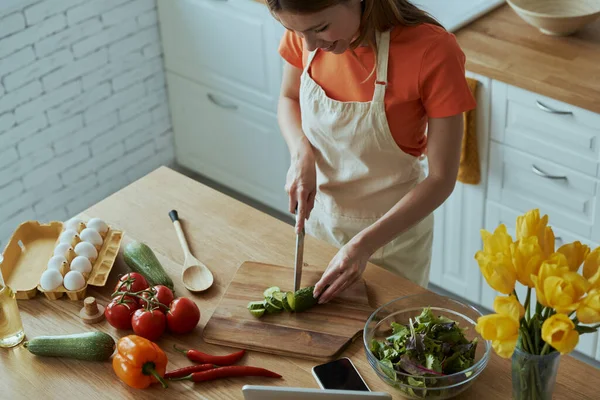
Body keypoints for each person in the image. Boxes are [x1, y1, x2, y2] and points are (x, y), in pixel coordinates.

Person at [267, 0, 476, 304]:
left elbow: (442, 178)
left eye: (320, 28)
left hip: (391, 243)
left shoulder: (432, 51)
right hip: (320, 225)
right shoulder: (305, 31)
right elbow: (288, 99)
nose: (310, 44)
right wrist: (301, 153)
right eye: (295, 32)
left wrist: (362, 246)